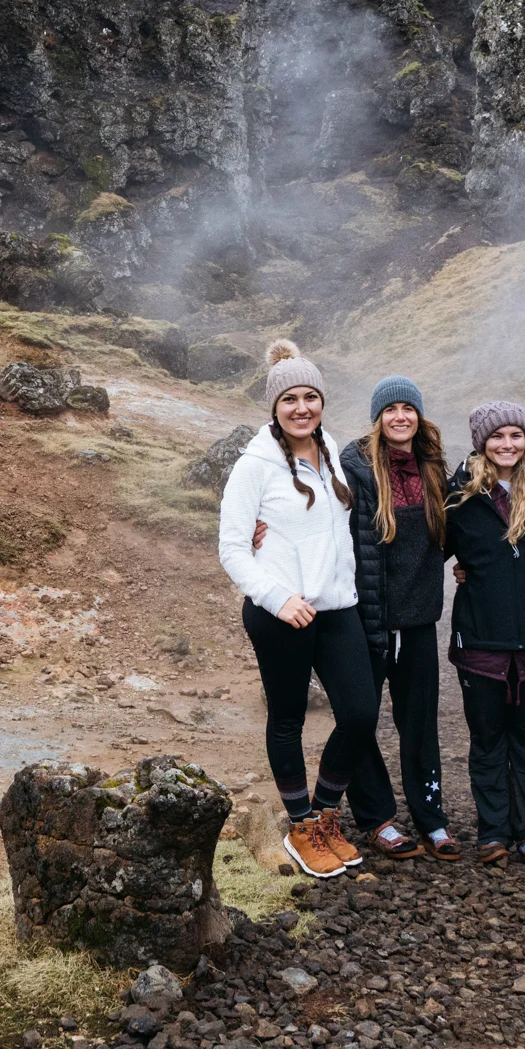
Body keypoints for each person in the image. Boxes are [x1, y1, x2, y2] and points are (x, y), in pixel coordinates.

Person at [218, 340, 380, 879]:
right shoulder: (254, 466)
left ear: (322, 402)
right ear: (274, 406)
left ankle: (326, 813)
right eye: (290, 399)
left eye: (311, 397)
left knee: (360, 714)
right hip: (280, 612)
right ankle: (300, 824)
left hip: (335, 607)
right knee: (288, 719)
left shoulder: (330, 450)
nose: (301, 408)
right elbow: (232, 548)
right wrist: (278, 597)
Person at [443, 400, 525, 867]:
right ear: (482, 442)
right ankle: (493, 831)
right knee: (488, 740)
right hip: (481, 641)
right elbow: (431, 547)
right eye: (497, 436)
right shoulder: (459, 495)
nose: (507, 444)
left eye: (516, 435)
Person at [340, 377, 455, 860]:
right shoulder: (354, 469)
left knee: (420, 722)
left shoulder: (435, 469)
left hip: (419, 622)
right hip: (366, 619)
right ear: (378, 418)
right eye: (391, 409)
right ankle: (377, 818)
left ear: (419, 416)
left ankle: (431, 817)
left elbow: (457, 534)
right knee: (359, 719)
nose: (400, 416)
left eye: (408, 408)